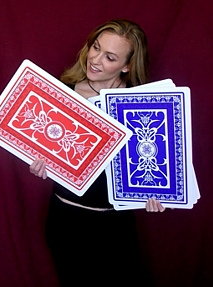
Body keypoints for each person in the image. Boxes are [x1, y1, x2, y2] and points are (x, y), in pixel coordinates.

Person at [30, 19, 165, 287]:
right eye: (96, 47)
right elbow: (38, 142)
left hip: (114, 225)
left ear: (126, 66)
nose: (96, 59)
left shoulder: (142, 106)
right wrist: (38, 161)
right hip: (65, 221)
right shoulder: (61, 93)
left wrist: (157, 190)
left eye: (110, 57)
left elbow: (154, 162)